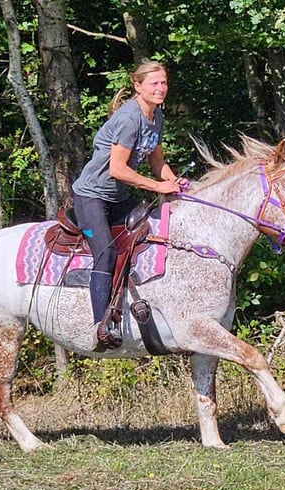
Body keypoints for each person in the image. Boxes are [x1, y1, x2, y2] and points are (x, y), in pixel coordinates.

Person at [72, 60, 188, 349]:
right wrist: (158, 186)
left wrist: (176, 184)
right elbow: (118, 169)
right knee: (107, 252)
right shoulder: (128, 119)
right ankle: (101, 327)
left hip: (120, 198)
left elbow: (156, 160)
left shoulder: (156, 116)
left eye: (164, 83)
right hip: (92, 197)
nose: (161, 89)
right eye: (154, 84)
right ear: (138, 86)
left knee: (151, 236)